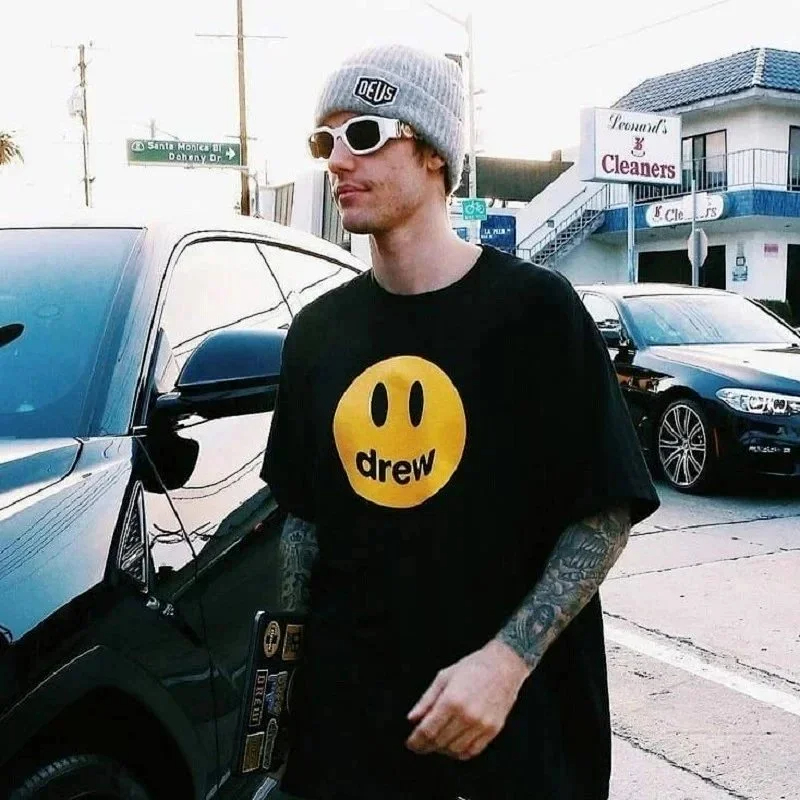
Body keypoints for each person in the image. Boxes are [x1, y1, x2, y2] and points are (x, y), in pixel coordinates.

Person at [261, 43, 660, 800]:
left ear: (435, 153)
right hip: (352, 747)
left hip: (516, 742)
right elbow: (303, 527)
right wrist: (279, 704)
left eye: (364, 135)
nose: (337, 161)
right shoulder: (317, 333)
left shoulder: (537, 314)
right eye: (325, 141)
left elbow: (604, 512)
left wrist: (506, 662)